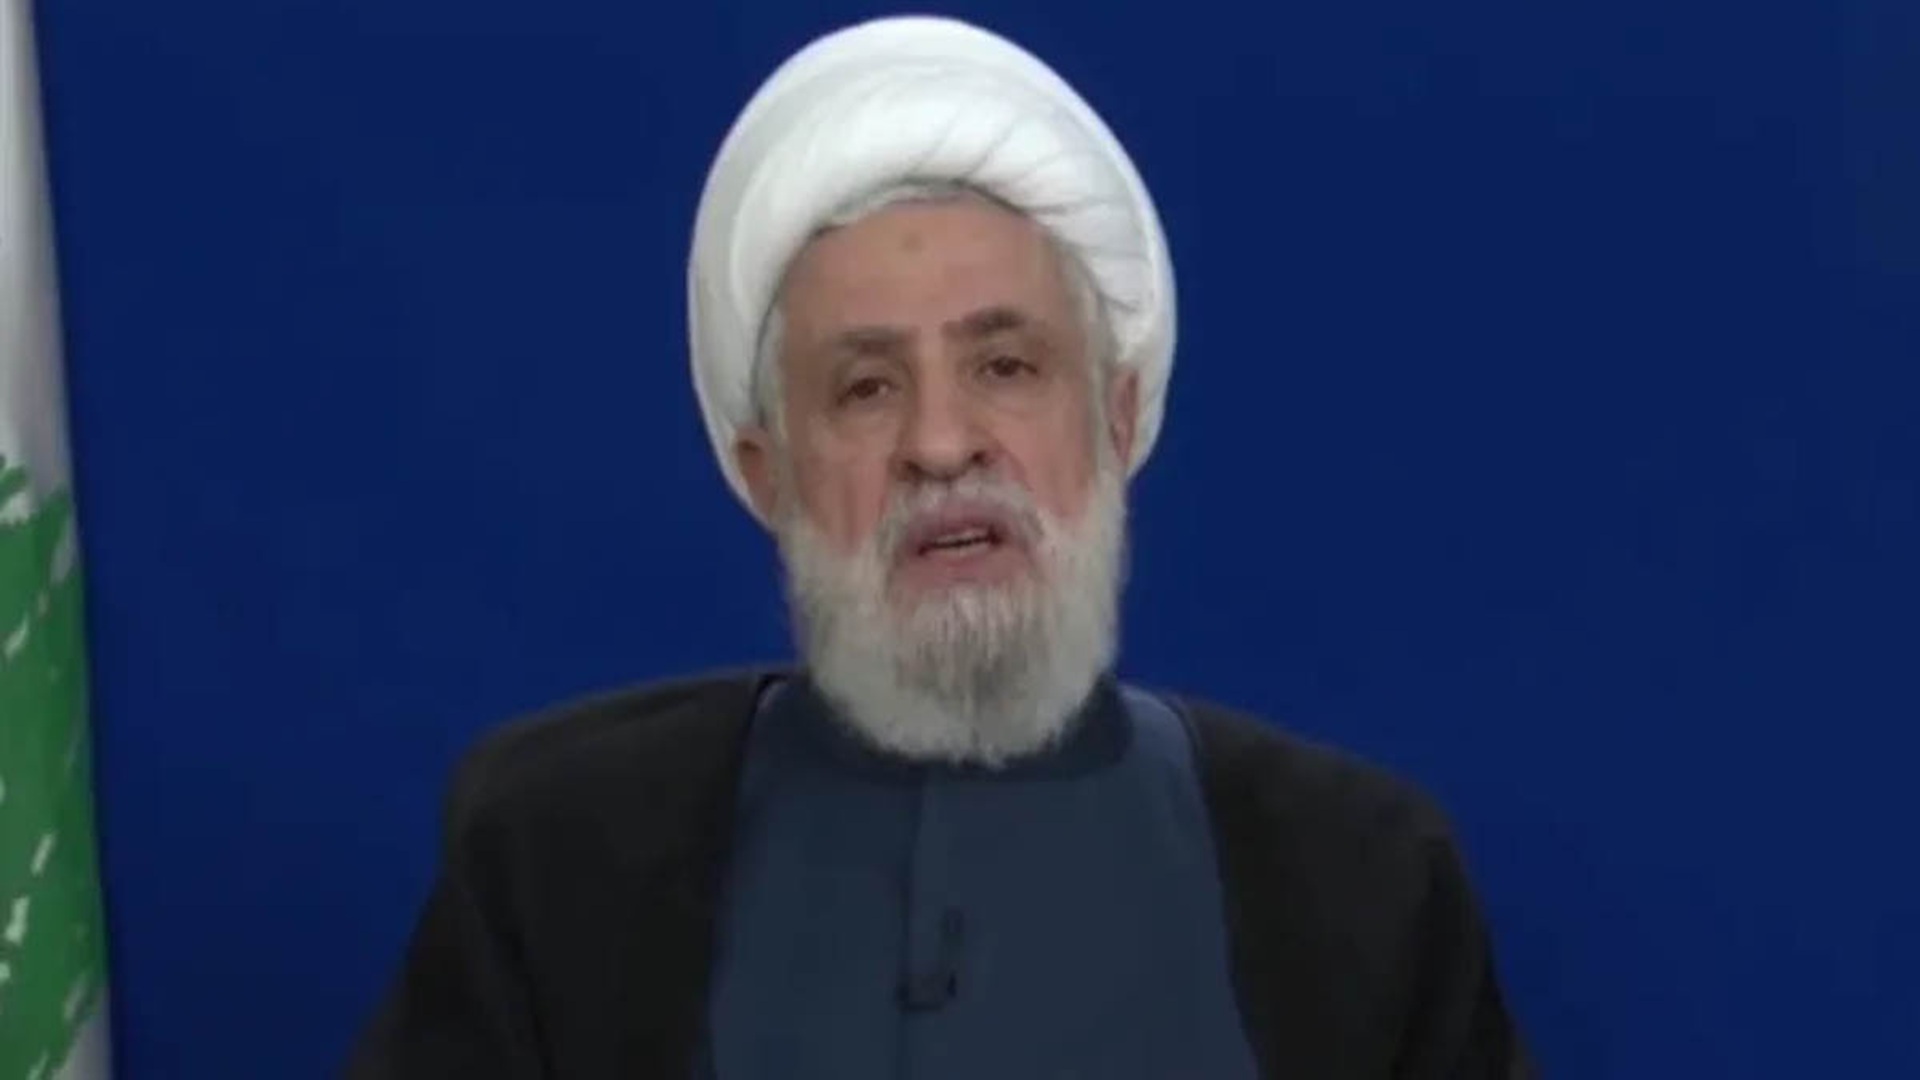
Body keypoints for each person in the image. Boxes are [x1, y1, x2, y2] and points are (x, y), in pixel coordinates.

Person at [349, 15, 1531, 1079]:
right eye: (866, 388)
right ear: (766, 475)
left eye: (1004, 366)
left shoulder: (1359, 880)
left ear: (1117, 420)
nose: (940, 443)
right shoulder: (557, 864)